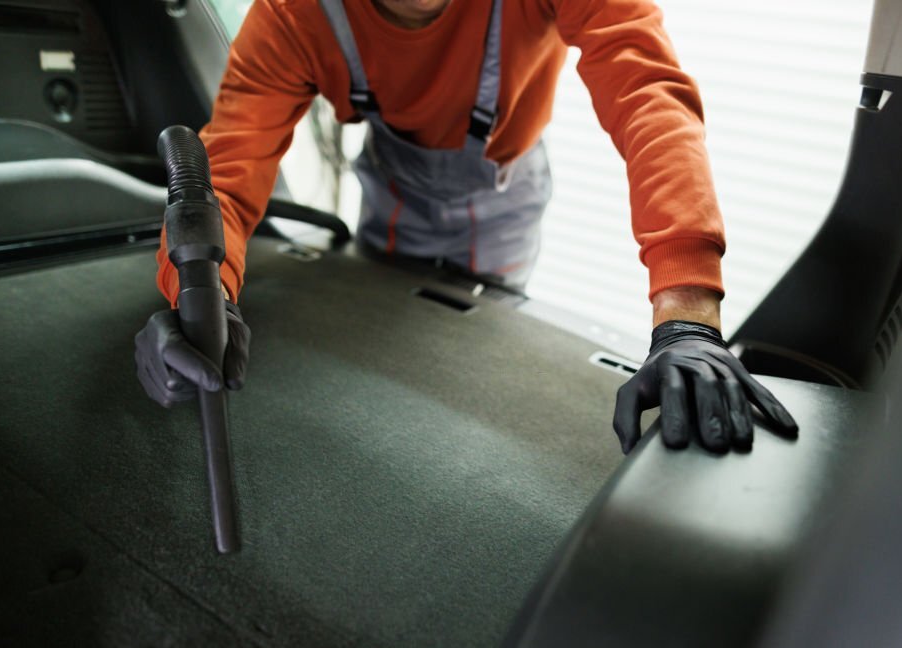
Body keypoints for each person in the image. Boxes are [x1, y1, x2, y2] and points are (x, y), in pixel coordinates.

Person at [135, 0, 798, 454]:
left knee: (477, 370)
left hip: (502, 195)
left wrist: (686, 311)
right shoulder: (292, 16)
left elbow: (648, 97)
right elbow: (223, 175)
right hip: (393, 187)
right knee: (388, 361)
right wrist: (198, 295)